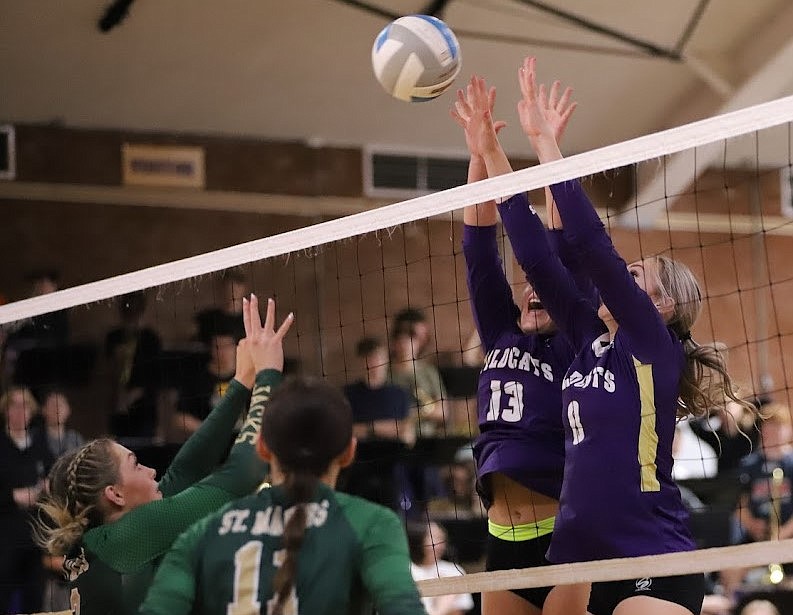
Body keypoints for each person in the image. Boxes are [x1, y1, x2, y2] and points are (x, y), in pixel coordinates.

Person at [474, 56, 755, 614]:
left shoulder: (651, 342)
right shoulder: (588, 342)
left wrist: (549, 150)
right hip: (585, 562)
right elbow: (533, 252)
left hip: (649, 555)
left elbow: (593, 248)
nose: (624, 276)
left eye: (638, 276)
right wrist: (495, 156)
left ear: (663, 303)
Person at [139, 307, 427, 614]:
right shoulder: (375, 526)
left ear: (263, 449)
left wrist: (257, 373)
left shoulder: (201, 533)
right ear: (349, 452)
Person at [35, 295, 292, 615]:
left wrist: (241, 382)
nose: (152, 472)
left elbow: (184, 472)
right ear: (114, 493)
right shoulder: (130, 533)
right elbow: (242, 475)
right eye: (136, 465)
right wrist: (268, 375)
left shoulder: (103, 537)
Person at [450, 73, 582, 615]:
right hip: (501, 538)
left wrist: (544, 148)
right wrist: (479, 153)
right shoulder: (501, 332)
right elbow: (478, 250)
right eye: (524, 287)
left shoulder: (577, 344)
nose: (531, 290)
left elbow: (558, 244)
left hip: (564, 535)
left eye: (541, 288)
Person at [720, 401, 793, 596]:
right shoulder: (749, 464)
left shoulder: (791, 463)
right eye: (769, 425)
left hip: (787, 538)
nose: (773, 431)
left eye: (779, 426)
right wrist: (752, 524)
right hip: (756, 537)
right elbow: (739, 505)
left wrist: (779, 535)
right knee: (728, 569)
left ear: (788, 430)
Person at [0, 386, 55, 614]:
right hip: (5, 532)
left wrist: (48, 486)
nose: (20, 411)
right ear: (5, 410)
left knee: (35, 598)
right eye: (14, 405)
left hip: (34, 533)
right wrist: (14, 496)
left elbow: (53, 473)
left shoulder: (40, 443)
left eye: (25, 406)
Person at [105, 291, 162, 440]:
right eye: (128, 310)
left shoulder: (151, 339)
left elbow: (155, 375)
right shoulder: (114, 338)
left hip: (144, 409)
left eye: (135, 310)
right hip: (117, 405)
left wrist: (134, 394)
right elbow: (107, 372)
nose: (132, 315)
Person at [344, 336, 414, 445]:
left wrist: (368, 428)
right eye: (369, 358)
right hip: (362, 456)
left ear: (386, 359)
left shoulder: (400, 393)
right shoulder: (349, 393)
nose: (375, 363)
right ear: (361, 361)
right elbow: (347, 431)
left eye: (379, 357)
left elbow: (406, 432)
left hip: (394, 455)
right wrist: (377, 428)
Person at [407, 521, 474, 615]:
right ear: (418, 538)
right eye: (434, 537)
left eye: (441, 538)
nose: (439, 544)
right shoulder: (404, 570)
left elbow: (457, 612)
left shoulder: (453, 571)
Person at [194, 269, 248, 346]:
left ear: (243, 288)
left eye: (237, 287)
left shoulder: (252, 318)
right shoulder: (208, 319)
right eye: (229, 287)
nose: (233, 291)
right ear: (222, 288)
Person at [38, 389, 86, 458]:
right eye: (52, 405)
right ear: (43, 410)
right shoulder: (34, 438)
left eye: (61, 405)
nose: (57, 409)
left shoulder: (75, 439)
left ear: (68, 410)